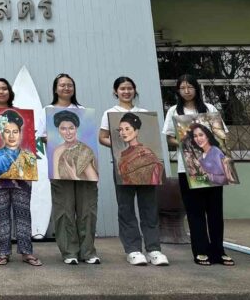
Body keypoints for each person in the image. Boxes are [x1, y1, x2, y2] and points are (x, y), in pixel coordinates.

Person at [162, 74, 235, 266]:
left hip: (214, 167)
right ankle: (200, 250)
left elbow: (222, 133)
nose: (186, 91)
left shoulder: (209, 108)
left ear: (196, 88)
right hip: (187, 169)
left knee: (215, 210)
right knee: (195, 211)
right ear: (178, 90)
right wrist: (183, 142)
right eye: (182, 88)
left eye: (190, 87)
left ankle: (218, 250)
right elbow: (169, 137)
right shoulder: (173, 111)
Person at [98, 76, 168, 266]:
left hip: (146, 174)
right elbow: (102, 137)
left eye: (129, 88)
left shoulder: (144, 113)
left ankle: (154, 249)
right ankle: (133, 249)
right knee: (126, 208)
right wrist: (116, 146)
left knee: (149, 207)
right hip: (121, 170)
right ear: (115, 92)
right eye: (122, 89)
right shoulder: (110, 113)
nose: (126, 92)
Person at [0, 78, 42, 267]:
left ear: (9, 92)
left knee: (23, 212)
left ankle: (27, 252)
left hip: (23, 175)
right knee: (1, 214)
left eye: (4, 88)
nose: (1, 92)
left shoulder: (20, 113)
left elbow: (30, 138)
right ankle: (4, 252)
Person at [43, 73, 99, 265]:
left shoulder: (83, 111)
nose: (66, 88)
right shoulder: (48, 111)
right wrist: (47, 140)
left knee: (87, 210)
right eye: (62, 85)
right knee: (63, 210)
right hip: (59, 176)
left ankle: (88, 251)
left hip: (86, 179)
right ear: (55, 88)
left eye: (69, 85)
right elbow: (42, 136)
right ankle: (69, 252)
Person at [0, 110, 37, 180]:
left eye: (15, 132)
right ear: (2, 134)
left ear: (20, 134)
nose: (11, 136)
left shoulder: (30, 157)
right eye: (7, 132)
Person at [51, 111, 98, 181]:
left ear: (76, 128)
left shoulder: (84, 151)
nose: (68, 133)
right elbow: (56, 179)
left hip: (83, 189)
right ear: (59, 130)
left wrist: (74, 177)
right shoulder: (57, 151)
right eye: (63, 129)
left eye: (71, 128)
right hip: (63, 190)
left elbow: (94, 181)